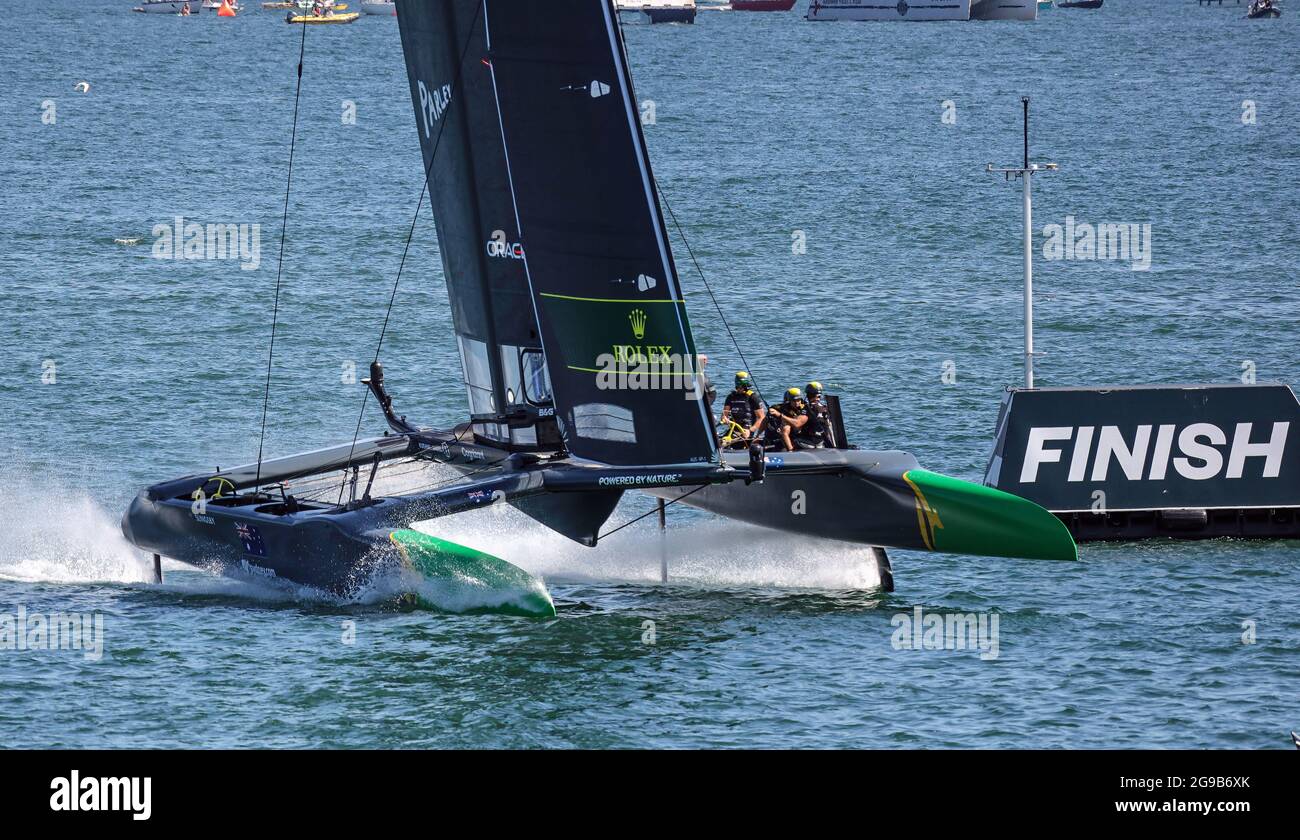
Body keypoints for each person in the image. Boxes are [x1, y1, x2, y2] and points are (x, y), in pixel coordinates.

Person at [720, 371, 765, 448]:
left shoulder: (753, 397)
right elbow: (724, 414)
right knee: (720, 442)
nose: (740, 389)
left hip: (746, 430)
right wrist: (724, 418)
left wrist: (751, 430)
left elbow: (761, 417)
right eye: (738, 386)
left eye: (742, 386)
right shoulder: (731, 397)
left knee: (729, 444)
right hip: (734, 429)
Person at [764, 387, 809, 452]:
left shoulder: (805, 407)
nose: (797, 403)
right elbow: (766, 418)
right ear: (789, 400)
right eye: (794, 401)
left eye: (798, 400)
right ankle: (790, 450)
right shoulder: (782, 408)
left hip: (802, 430)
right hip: (790, 432)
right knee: (785, 428)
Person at [797, 381, 834, 449]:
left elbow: (798, 425)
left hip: (815, 440)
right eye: (818, 396)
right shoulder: (823, 407)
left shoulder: (810, 408)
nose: (818, 398)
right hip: (820, 440)